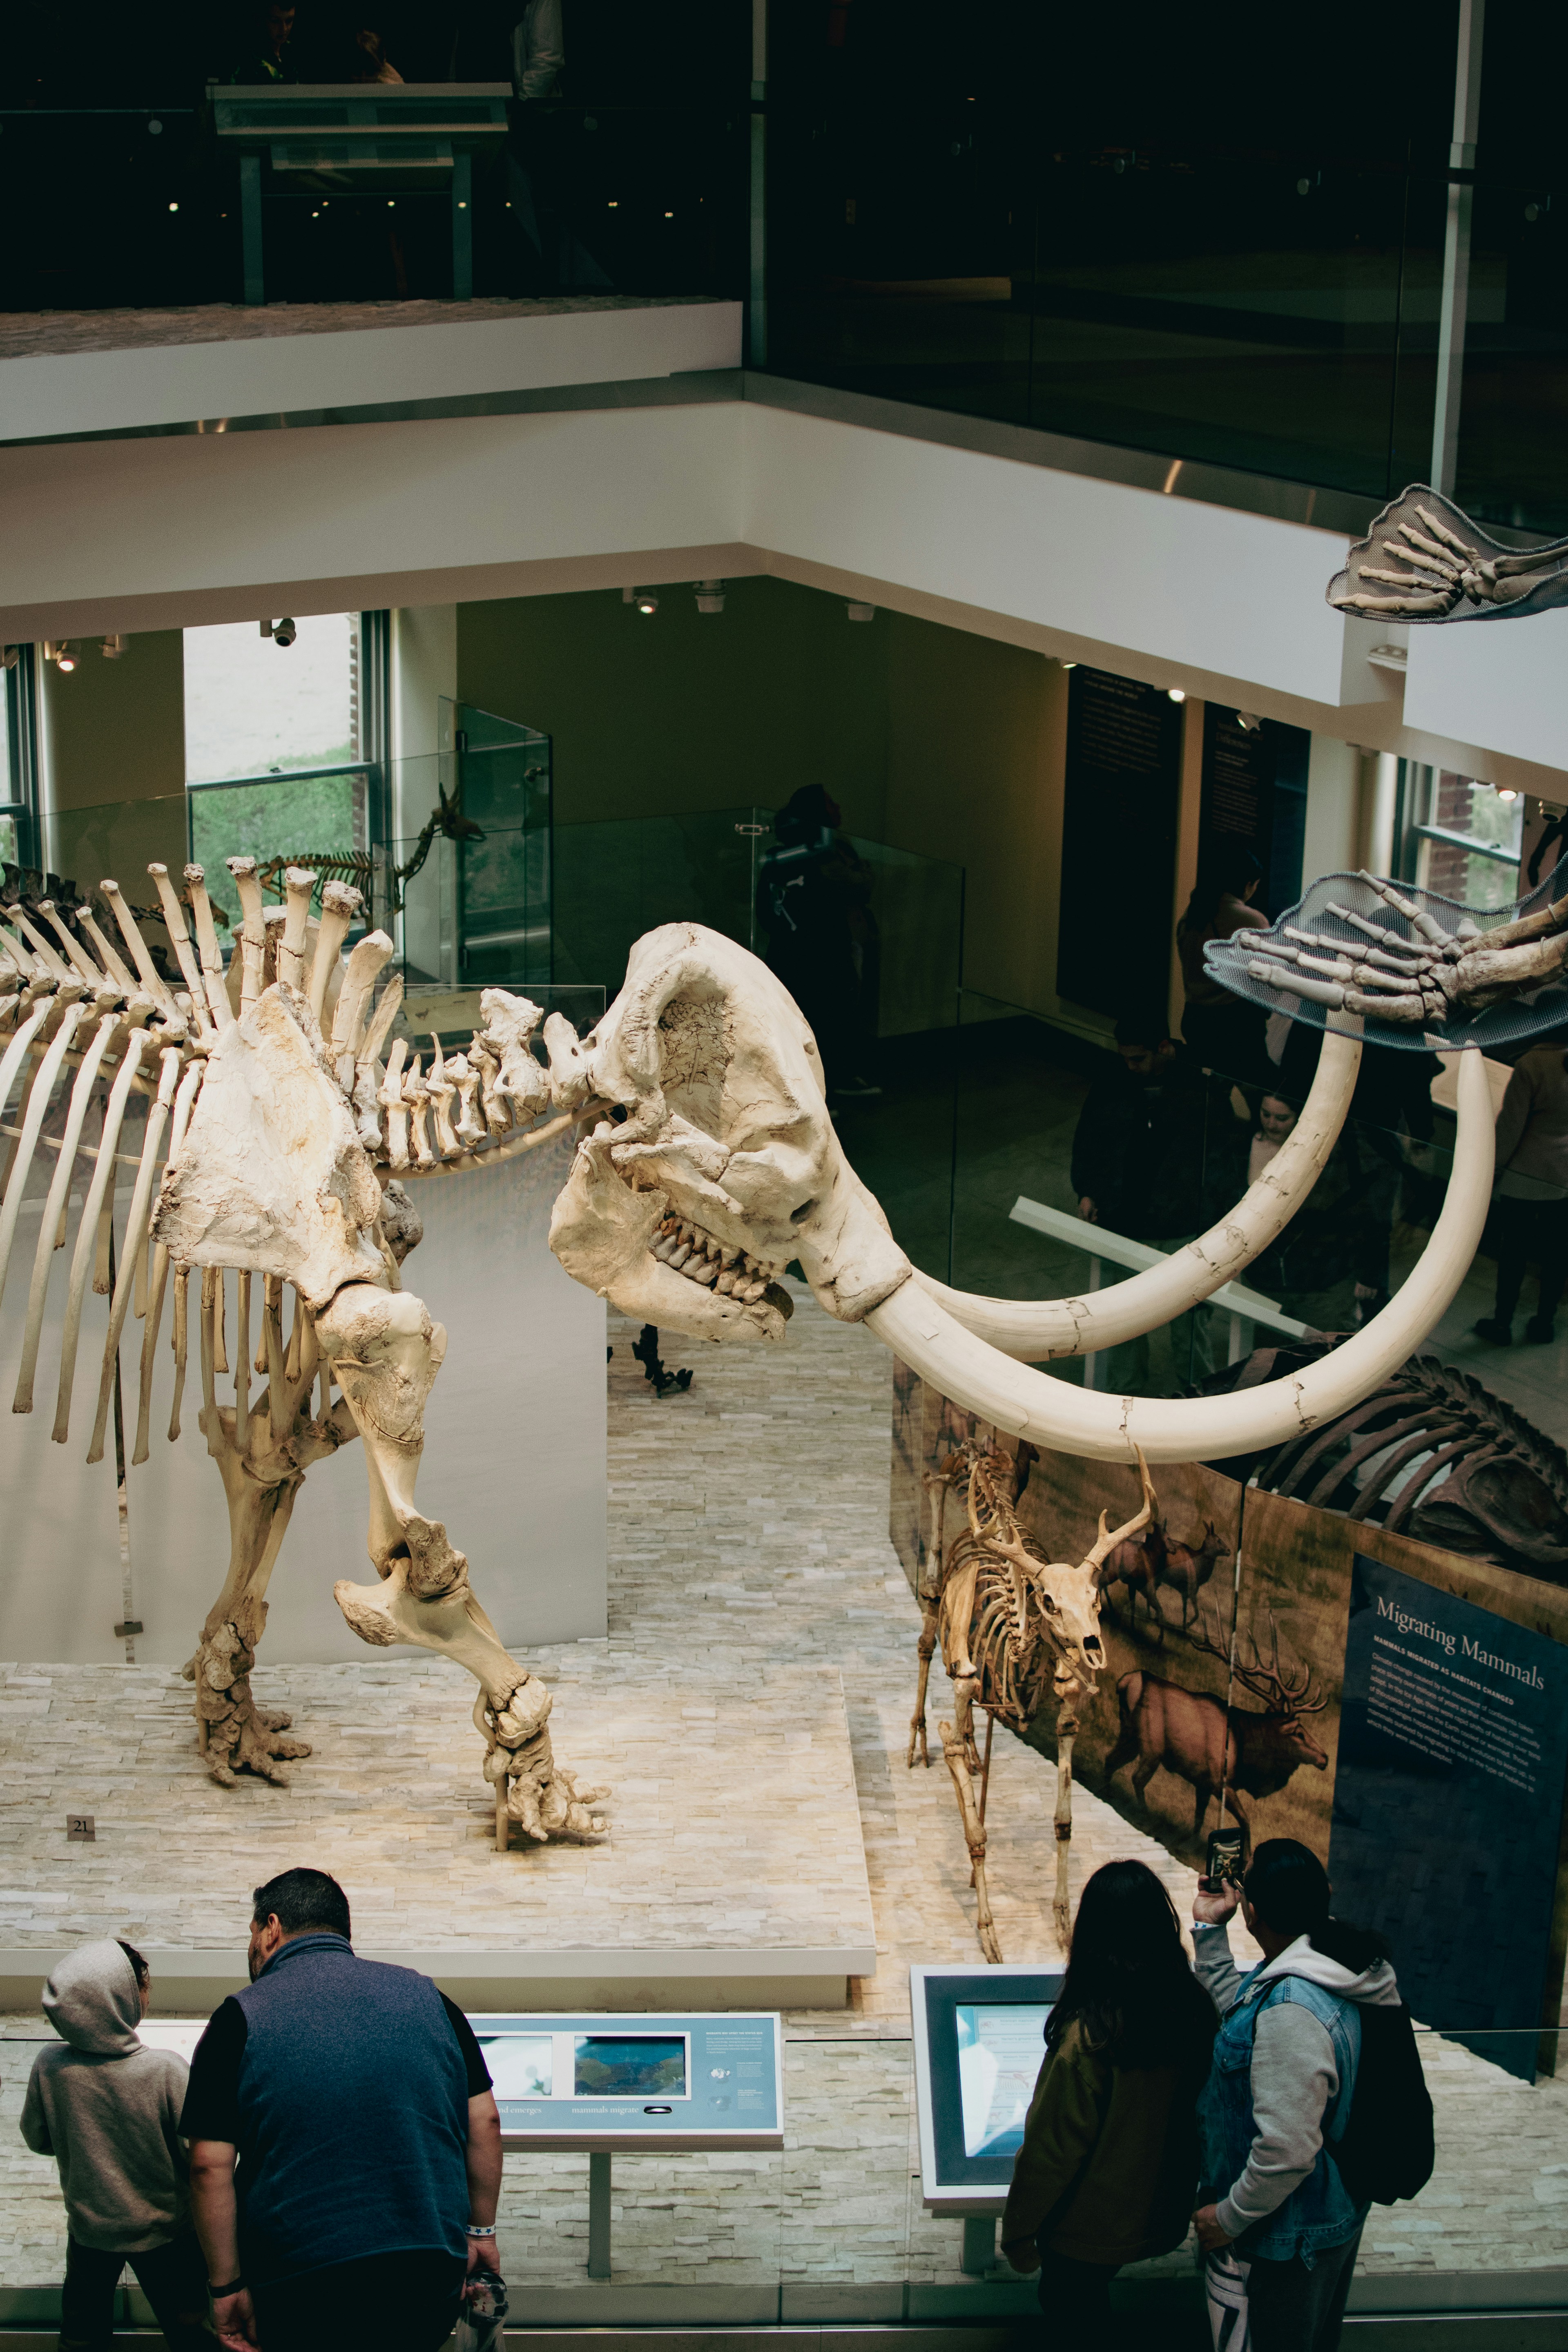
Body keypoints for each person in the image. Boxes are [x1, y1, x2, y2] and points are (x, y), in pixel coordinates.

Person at [182, 1867, 502, 2352]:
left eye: (251, 1932)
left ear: (271, 1929)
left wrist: (226, 2287)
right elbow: (485, 2121)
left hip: (300, 2280)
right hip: (427, 2272)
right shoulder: (432, 1998)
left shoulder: (237, 2019)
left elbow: (208, 2165)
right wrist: (481, 2233)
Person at [1192, 1839, 1401, 2352]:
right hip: (1325, 2214)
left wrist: (1227, 2218)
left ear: (1253, 1911)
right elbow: (1245, 2025)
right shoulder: (1327, 1964)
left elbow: (1286, 2150)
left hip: (1289, 2237)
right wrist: (1209, 1931)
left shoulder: (1292, 2007)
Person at [1000, 1861, 1218, 2327]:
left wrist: (1018, 2234)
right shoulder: (1195, 2013)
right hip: (1160, 2214)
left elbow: (1050, 2154)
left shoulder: (1087, 2039)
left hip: (1085, 2232)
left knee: (1070, 2308)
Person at [20, 1938, 210, 2352]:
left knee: (81, 2336)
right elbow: (197, 2155)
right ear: (118, 1997)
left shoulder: (50, 2066)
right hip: (166, 2233)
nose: (147, 1994)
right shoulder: (166, 2070)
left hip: (90, 2232)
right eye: (142, 1986)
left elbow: (38, 2138)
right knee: (191, 2330)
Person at [1070, 1012, 1219, 1389]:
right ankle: (1127, 1391)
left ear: (1163, 1048)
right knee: (1124, 1317)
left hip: (1179, 1220)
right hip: (1124, 1216)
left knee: (1188, 1322)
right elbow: (1091, 1136)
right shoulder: (1114, 1080)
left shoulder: (1199, 1084)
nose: (1130, 1067)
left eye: (1137, 1058)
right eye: (1124, 1058)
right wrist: (1088, 1189)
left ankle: (1199, 1395)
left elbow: (1217, 1156)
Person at [757, 784, 881, 1101]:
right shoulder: (817, 851)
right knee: (823, 1015)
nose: (837, 807)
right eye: (829, 803)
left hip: (812, 947)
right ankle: (822, 1089)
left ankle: (828, 1084)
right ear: (816, 813)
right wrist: (862, 871)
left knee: (827, 1015)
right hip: (818, 950)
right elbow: (855, 886)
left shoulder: (796, 850)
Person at [1476, 1042, 1568, 1345]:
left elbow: (1510, 1126)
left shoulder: (1534, 1063)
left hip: (1525, 1173)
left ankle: (1502, 1324)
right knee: (1557, 1255)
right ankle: (1544, 1323)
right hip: (1564, 1177)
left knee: (1514, 1252)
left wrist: (1493, 1169)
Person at [1177, 847, 1272, 1086]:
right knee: (1261, 1091)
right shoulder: (1250, 919)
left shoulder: (1191, 916)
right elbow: (1269, 973)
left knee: (1211, 1094)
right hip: (1236, 1024)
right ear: (1248, 884)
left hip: (1196, 1019)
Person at [230, 1, 297, 82]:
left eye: (289, 21)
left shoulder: (294, 52)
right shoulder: (248, 57)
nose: (284, 29)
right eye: (275, 21)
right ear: (262, 19)